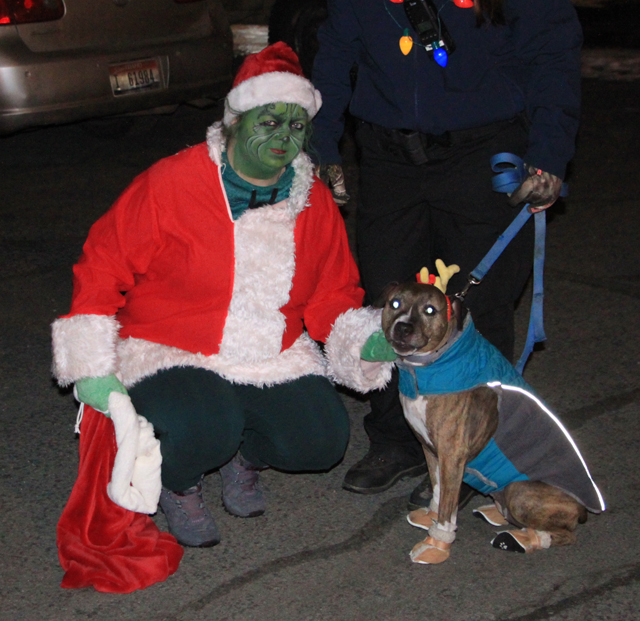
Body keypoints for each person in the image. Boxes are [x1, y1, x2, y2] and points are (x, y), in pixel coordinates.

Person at [51, 42, 367, 557]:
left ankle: (245, 457)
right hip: (169, 344)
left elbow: (333, 291)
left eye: (296, 125)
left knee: (322, 440)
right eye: (269, 121)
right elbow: (104, 262)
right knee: (206, 426)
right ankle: (180, 482)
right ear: (235, 122)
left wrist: (364, 341)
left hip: (267, 350)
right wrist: (89, 359)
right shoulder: (172, 182)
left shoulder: (313, 199)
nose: (283, 137)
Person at [311, 0, 583, 502]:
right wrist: (323, 145)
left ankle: (475, 453)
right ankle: (397, 439)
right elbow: (334, 52)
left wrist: (549, 152)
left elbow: (553, 52)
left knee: (479, 305)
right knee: (389, 299)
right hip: (388, 156)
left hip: (483, 151)